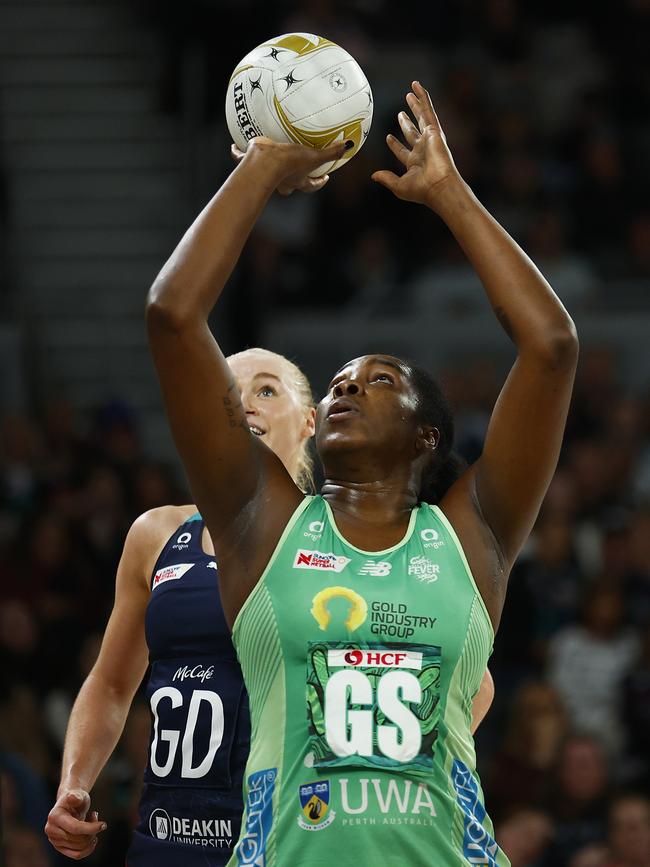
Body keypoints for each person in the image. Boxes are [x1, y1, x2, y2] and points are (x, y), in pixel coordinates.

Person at [146, 82, 577, 864]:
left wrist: (451, 196)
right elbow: (173, 313)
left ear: (427, 436)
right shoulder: (262, 522)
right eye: (340, 377)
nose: (346, 385)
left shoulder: (471, 536)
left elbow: (551, 346)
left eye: (380, 381)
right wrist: (264, 164)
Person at [44, 348, 316, 863]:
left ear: (310, 422)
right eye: (227, 396)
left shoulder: (342, 536)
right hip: (168, 838)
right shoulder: (157, 533)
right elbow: (112, 682)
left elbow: (470, 685)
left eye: (265, 390)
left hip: (290, 842)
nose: (245, 407)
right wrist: (74, 784)